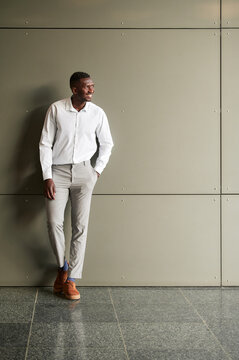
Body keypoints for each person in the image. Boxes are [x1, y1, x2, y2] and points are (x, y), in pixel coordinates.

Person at [39, 72, 114, 300]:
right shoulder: (56, 109)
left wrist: (96, 171)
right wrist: (46, 176)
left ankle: (71, 280)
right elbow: (44, 143)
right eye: (87, 87)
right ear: (74, 90)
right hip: (57, 173)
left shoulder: (97, 113)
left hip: (84, 173)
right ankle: (62, 267)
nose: (91, 90)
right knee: (54, 223)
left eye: (92, 86)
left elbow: (108, 144)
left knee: (80, 227)